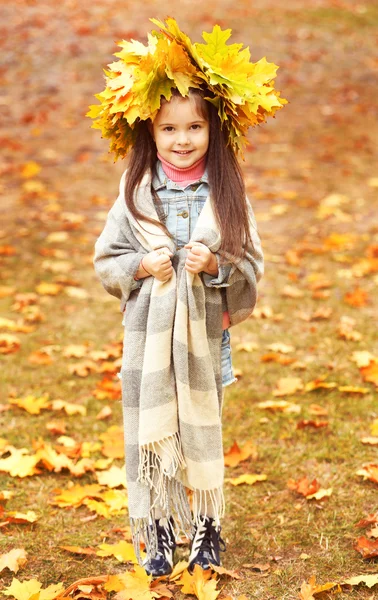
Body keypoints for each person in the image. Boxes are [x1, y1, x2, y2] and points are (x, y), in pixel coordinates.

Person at [88, 17, 286, 577]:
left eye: (194, 127)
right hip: (149, 338)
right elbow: (108, 261)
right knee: (156, 430)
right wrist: (143, 266)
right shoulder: (135, 193)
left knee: (201, 424)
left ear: (214, 131)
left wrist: (216, 264)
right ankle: (159, 527)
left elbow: (251, 265)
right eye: (169, 128)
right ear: (149, 133)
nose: (181, 140)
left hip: (206, 335)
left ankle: (206, 526)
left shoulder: (225, 194)